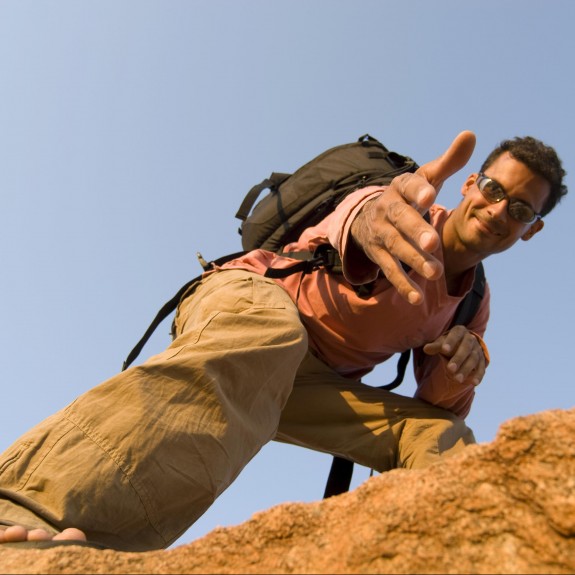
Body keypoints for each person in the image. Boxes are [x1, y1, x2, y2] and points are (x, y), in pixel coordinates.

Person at [0, 131, 567, 551]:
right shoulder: (404, 207)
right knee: (272, 335)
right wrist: (369, 219)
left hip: (310, 386)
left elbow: (438, 405)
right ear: (470, 184)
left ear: (532, 229)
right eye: (493, 188)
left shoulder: (473, 302)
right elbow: (357, 218)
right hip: (252, 303)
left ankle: (453, 553)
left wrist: (464, 362)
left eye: (519, 209)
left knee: (439, 434)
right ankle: (29, 513)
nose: (498, 209)